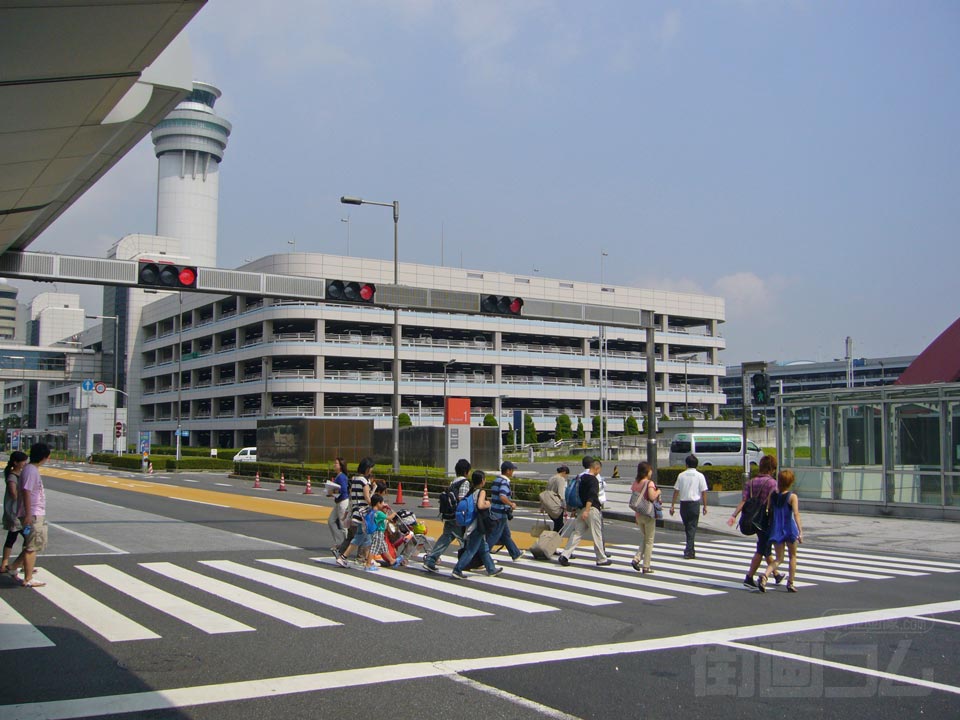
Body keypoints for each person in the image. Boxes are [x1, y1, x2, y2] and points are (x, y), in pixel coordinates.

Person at [727, 454, 784, 589]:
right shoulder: (772, 483)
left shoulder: (750, 482)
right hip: (766, 520)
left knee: (764, 547)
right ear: (772, 469)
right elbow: (775, 503)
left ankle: (776, 574)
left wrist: (734, 515)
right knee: (762, 548)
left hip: (754, 519)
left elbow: (744, 500)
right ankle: (749, 577)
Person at [9, 443, 51, 587]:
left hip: (32, 512)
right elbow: (26, 491)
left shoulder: (29, 469)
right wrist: (28, 514)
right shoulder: (31, 471)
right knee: (32, 547)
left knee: (30, 544)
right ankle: (28, 578)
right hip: (33, 514)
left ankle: (14, 567)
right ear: (45, 457)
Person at [558, 457, 612, 567]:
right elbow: (591, 497)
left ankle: (565, 555)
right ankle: (601, 558)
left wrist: (575, 510)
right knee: (597, 533)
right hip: (591, 510)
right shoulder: (593, 480)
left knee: (577, 533)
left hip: (580, 509)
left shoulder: (581, 478)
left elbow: (577, 494)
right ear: (596, 468)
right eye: (599, 470)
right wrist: (587, 510)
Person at [451, 471, 504, 579]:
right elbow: (480, 506)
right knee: (471, 550)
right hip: (477, 525)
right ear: (482, 481)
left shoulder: (471, 491)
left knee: (483, 549)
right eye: (484, 479)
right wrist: (488, 504)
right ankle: (457, 569)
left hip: (471, 523)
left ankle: (491, 569)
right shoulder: (481, 492)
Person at [423, 458, 472, 572]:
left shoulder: (453, 482)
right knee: (468, 541)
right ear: (466, 472)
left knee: (445, 539)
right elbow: (462, 500)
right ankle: (470, 562)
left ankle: (431, 560)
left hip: (449, 515)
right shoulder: (464, 483)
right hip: (458, 517)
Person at [759, 470, 803, 593]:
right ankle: (790, 583)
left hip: (776, 529)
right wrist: (800, 531)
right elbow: (796, 514)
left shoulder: (772, 494)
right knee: (792, 556)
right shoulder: (792, 497)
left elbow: (768, 509)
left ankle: (765, 575)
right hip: (789, 528)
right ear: (790, 482)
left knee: (779, 558)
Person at [669, 454, 708, 559]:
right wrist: (705, 506)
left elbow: (676, 491)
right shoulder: (700, 476)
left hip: (684, 504)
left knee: (688, 527)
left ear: (686, 464)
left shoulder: (681, 475)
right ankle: (689, 551)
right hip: (694, 504)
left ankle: (690, 550)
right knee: (691, 527)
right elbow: (704, 492)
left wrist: (672, 505)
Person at [335, 457, 374, 558]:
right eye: (371, 468)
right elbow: (367, 498)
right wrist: (376, 505)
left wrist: (348, 512)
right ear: (367, 468)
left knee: (353, 535)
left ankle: (340, 553)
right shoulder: (365, 481)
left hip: (354, 512)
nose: (372, 470)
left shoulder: (354, 479)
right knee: (364, 535)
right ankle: (361, 557)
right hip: (363, 513)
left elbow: (351, 496)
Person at [485, 461, 522, 562]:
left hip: (495, 511)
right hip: (500, 513)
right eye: (512, 470)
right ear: (508, 471)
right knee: (494, 536)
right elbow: (502, 496)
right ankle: (482, 556)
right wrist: (511, 504)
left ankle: (515, 553)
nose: (513, 472)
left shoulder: (496, 480)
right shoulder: (504, 482)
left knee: (505, 535)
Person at [630, 461, 660, 574]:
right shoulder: (649, 483)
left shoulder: (636, 483)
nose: (651, 472)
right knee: (649, 541)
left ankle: (636, 559)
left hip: (638, 515)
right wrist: (658, 492)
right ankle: (646, 566)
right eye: (650, 470)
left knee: (645, 538)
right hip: (648, 514)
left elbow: (635, 499)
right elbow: (652, 497)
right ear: (647, 471)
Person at [2, 451, 28, 574]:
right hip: (15, 513)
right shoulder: (13, 476)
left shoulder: (18, 475)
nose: (25, 463)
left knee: (12, 537)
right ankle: (22, 564)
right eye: (23, 461)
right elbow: (13, 494)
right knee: (29, 538)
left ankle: (5, 564)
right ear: (16, 462)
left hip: (17, 512)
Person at [326, 457, 350, 554]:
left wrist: (333, 491)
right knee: (331, 521)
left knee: (343, 524)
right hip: (338, 502)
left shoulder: (342, 476)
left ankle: (346, 544)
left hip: (343, 502)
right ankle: (340, 542)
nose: (334, 465)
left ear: (341, 466)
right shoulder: (339, 476)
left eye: (336, 463)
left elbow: (344, 490)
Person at [542, 465, 569, 532]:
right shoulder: (561, 479)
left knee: (557, 524)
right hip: (556, 505)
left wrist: (542, 506)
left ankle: (553, 539)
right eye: (566, 475)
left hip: (548, 504)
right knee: (559, 525)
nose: (566, 477)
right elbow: (561, 493)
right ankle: (553, 540)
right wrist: (564, 505)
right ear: (564, 472)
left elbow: (546, 492)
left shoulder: (551, 478)